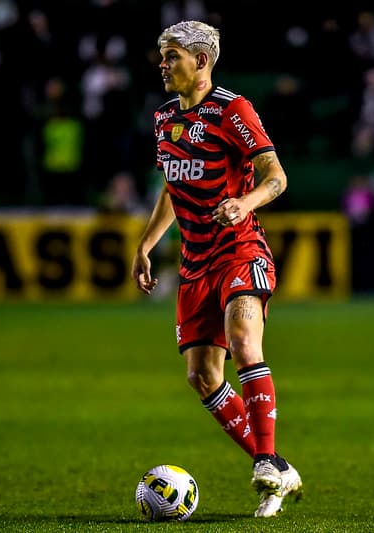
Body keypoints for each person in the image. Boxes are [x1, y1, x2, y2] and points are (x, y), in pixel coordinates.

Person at [130, 20, 303, 518]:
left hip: (239, 250)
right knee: (202, 376)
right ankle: (275, 467)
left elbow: (276, 176)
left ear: (201, 61)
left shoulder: (233, 109)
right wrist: (146, 243)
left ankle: (267, 459)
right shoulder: (164, 119)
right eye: (162, 56)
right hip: (195, 263)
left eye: (172, 56)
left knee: (245, 340)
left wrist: (244, 202)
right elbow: (172, 186)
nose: (162, 64)